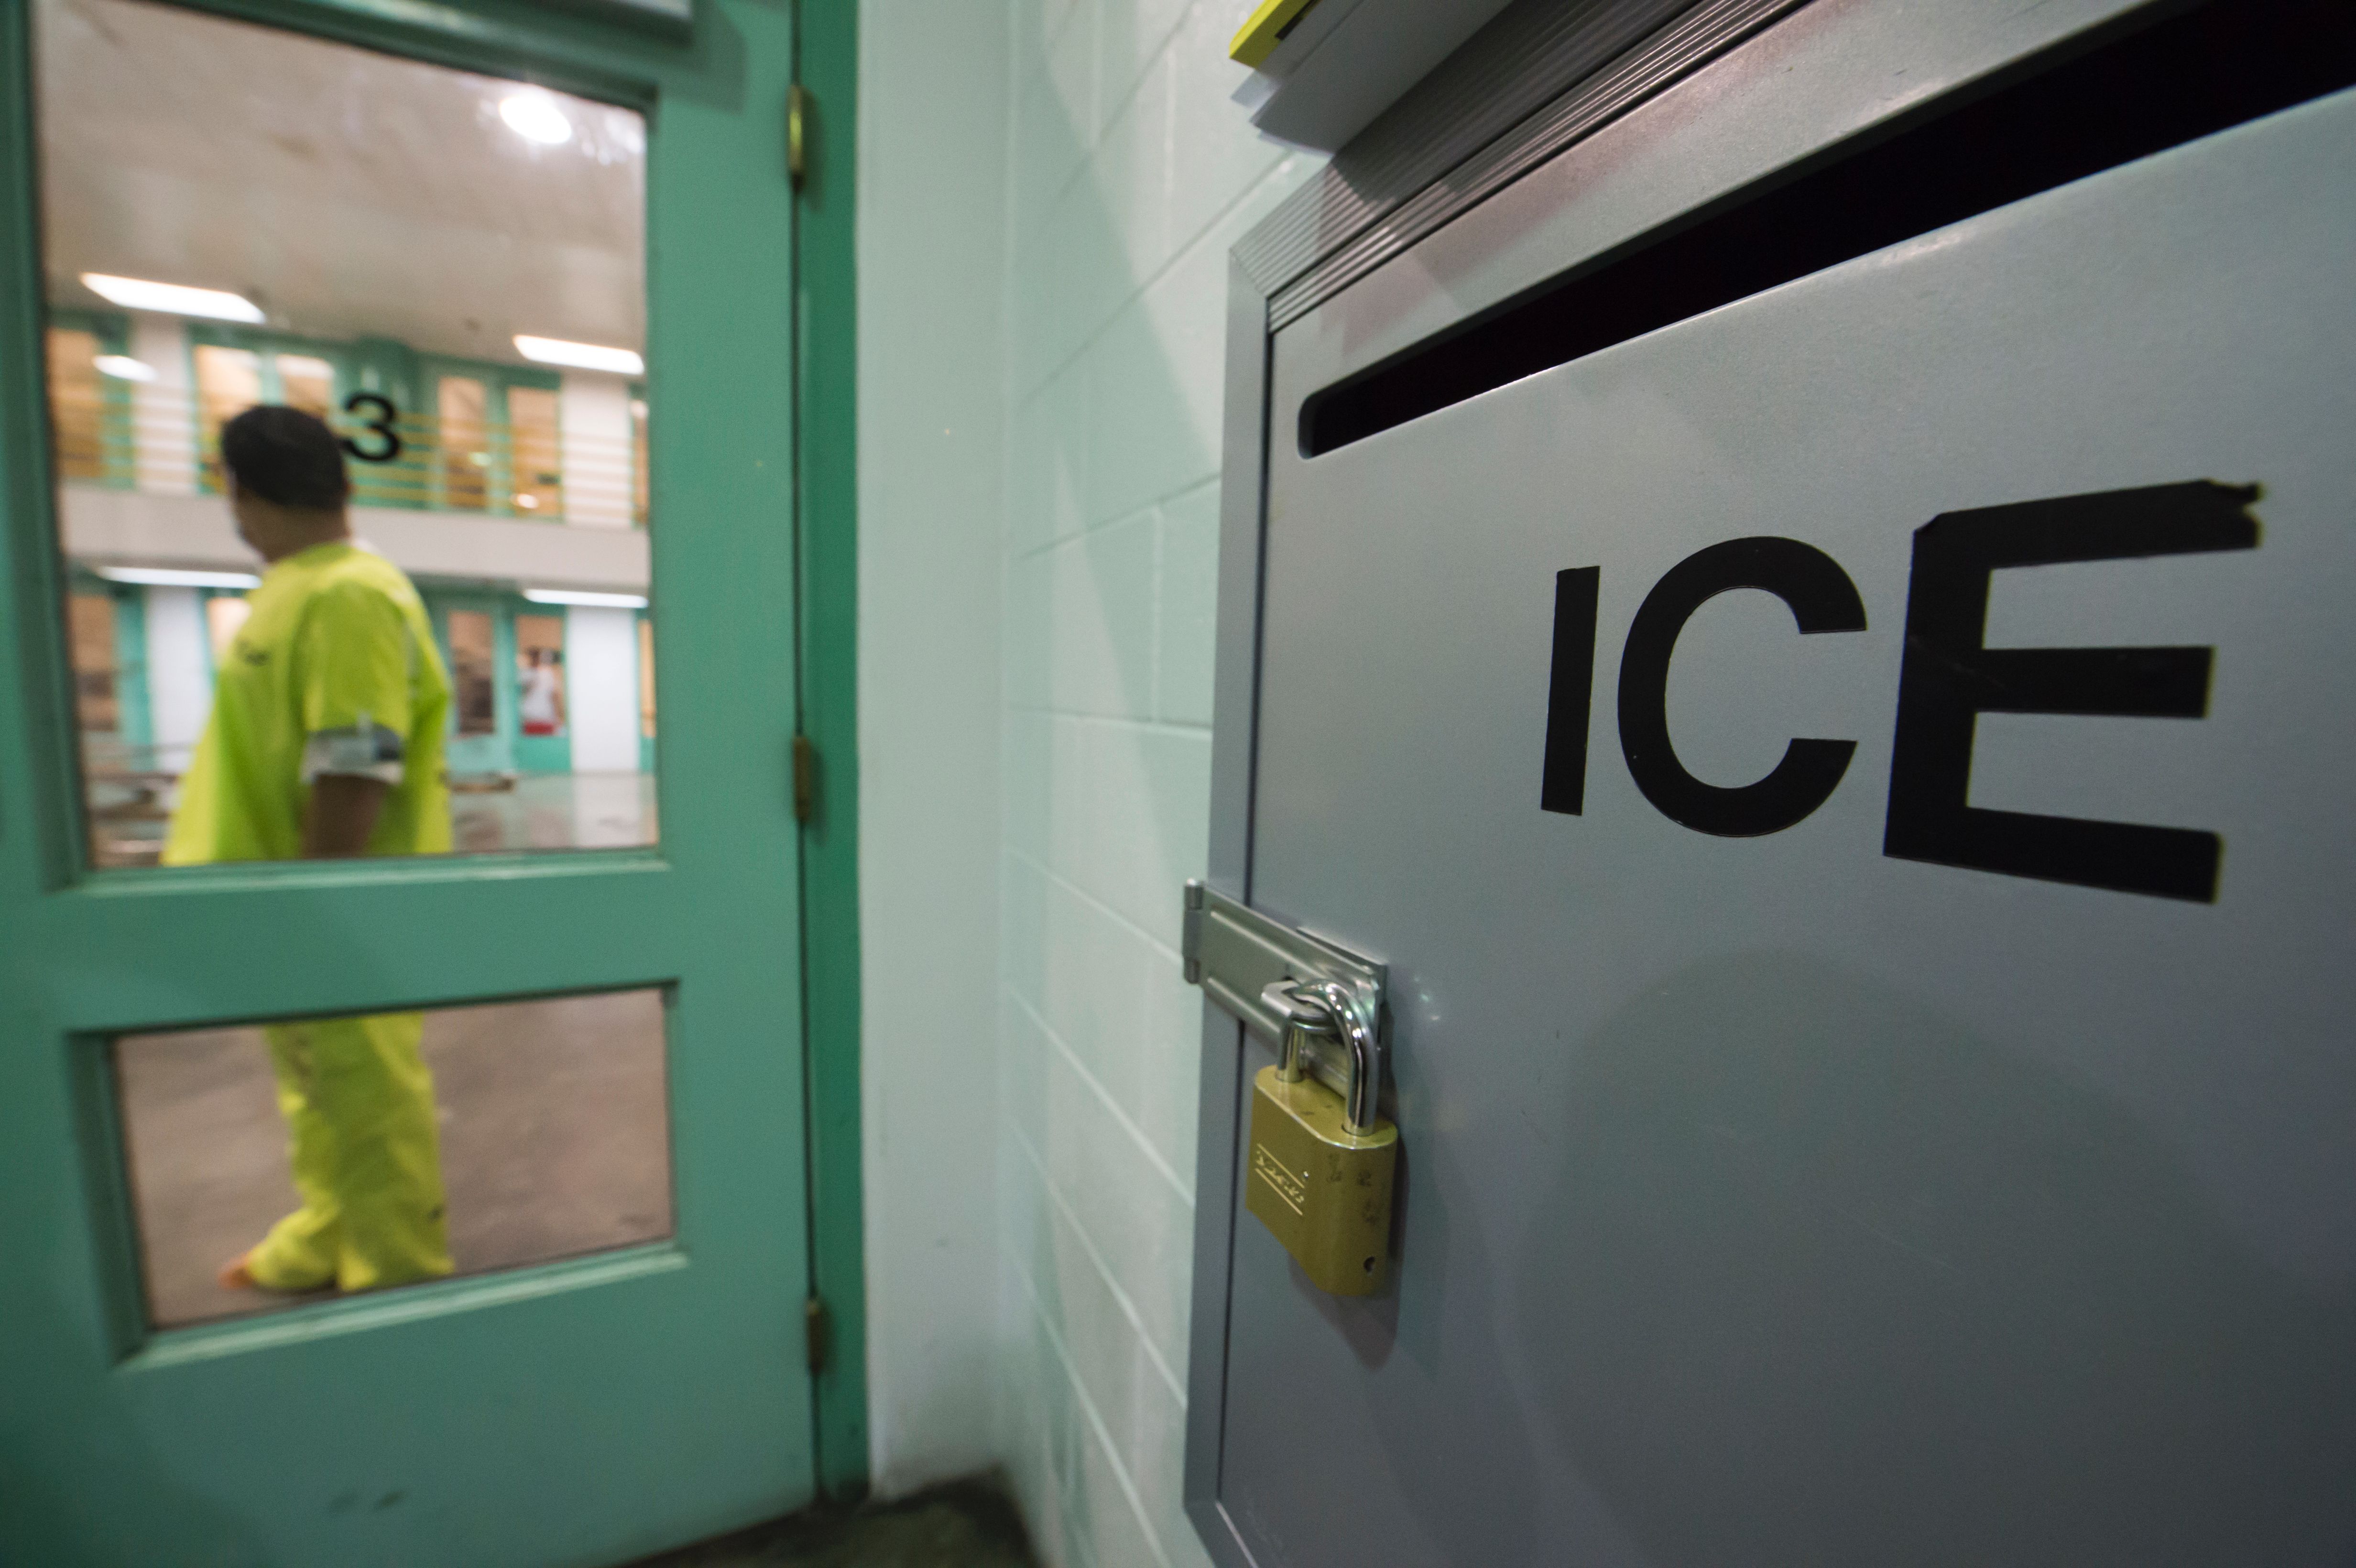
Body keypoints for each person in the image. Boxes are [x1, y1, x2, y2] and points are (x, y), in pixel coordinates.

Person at [163, 405, 456, 1297]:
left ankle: (398, 1270)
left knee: (366, 1096)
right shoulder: (296, 591)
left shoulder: (350, 594)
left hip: (333, 904)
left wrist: (320, 897)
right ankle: (330, 1233)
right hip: (281, 900)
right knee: (316, 1089)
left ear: (237, 491)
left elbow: (355, 762)